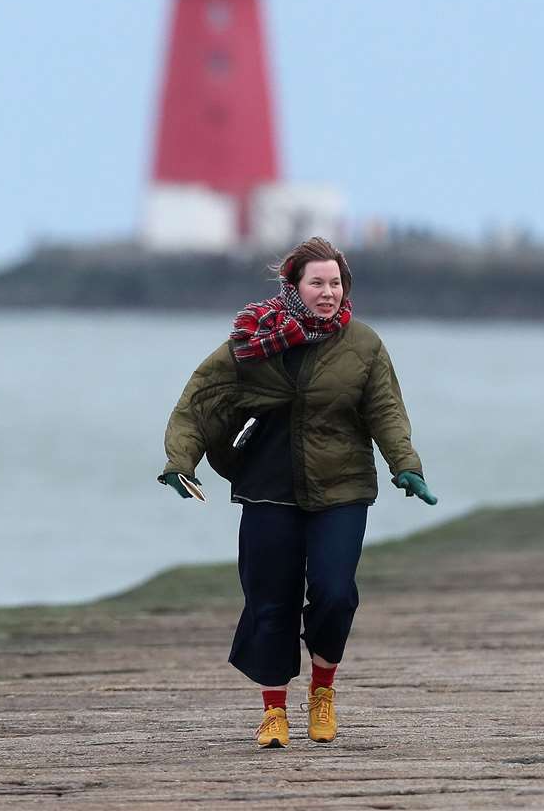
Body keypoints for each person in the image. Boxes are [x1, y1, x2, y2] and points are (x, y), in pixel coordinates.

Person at [157, 236, 437, 749]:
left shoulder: (364, 344)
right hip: (268, 486)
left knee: (334, 593)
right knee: (270, 601)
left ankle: (323, 692)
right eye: (317, 283)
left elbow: (387, 412)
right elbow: (199, 401)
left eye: (335, 283)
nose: (328, 293)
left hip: (342, 487)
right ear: (294, 286)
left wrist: (406, 465)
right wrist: (181, 462)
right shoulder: (251, 339)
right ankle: (274, 712)